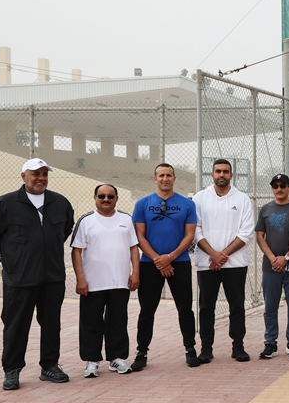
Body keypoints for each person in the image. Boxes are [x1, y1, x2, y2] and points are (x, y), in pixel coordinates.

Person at [0, 158, 75, 390]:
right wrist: (8, 259)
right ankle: (12, 370)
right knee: (15, 326)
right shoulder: (4, 203)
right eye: (35, 174)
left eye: (44, 174)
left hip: (52, 278)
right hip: (19, 280)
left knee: (51, 324)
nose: (40, 178)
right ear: (23, 177)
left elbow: (65, 229)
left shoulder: (60, 203)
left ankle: (49, 366)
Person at [131, 163, 199, 370]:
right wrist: (158, 260)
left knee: (185, 309)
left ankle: (190, 349)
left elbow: (190, 235)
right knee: (147, 310)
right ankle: (141, 352)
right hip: (150, 264)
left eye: (169, 175)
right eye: (161, 175)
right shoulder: (142, 204)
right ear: (155, 179)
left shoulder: (187, 204)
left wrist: (170, 257)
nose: (165, 179)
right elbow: (139, 236)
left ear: (174, 178)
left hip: (179, 263)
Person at [71, 184, 139, 377]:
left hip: (120, 282)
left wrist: (135, 274)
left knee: (118, 321)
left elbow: (134, 248)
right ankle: (92, 361)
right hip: (93, 283)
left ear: (116, 198)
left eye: (110, 196)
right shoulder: (86, 221)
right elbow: (76, 251)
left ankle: (116, 359)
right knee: (91, 322)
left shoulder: (126, 219)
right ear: (95, 198)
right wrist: (80, 279)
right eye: (102, 196)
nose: (106, 199)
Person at [193, 159, 255, 363]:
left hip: (235, 263)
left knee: (237, 305)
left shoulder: (243, 198)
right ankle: (206, 349)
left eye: (225, 172)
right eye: (218, 171)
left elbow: (246, 232)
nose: (222, 174)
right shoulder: (200, 198)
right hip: (206, 263)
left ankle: (238, 347)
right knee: (206, 307)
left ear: (231, 175)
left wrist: (222, 255)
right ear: (211, 174)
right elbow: (195, 229)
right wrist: (212, 254)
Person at [255, 174, 289, 359]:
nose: (279, 188)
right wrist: (273, 258)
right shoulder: (265, 209)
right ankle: (270, 343)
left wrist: (287, 257)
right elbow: (260, 236)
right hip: (271, 267)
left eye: (283, 185)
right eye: (275, 185)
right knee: (270, 307)